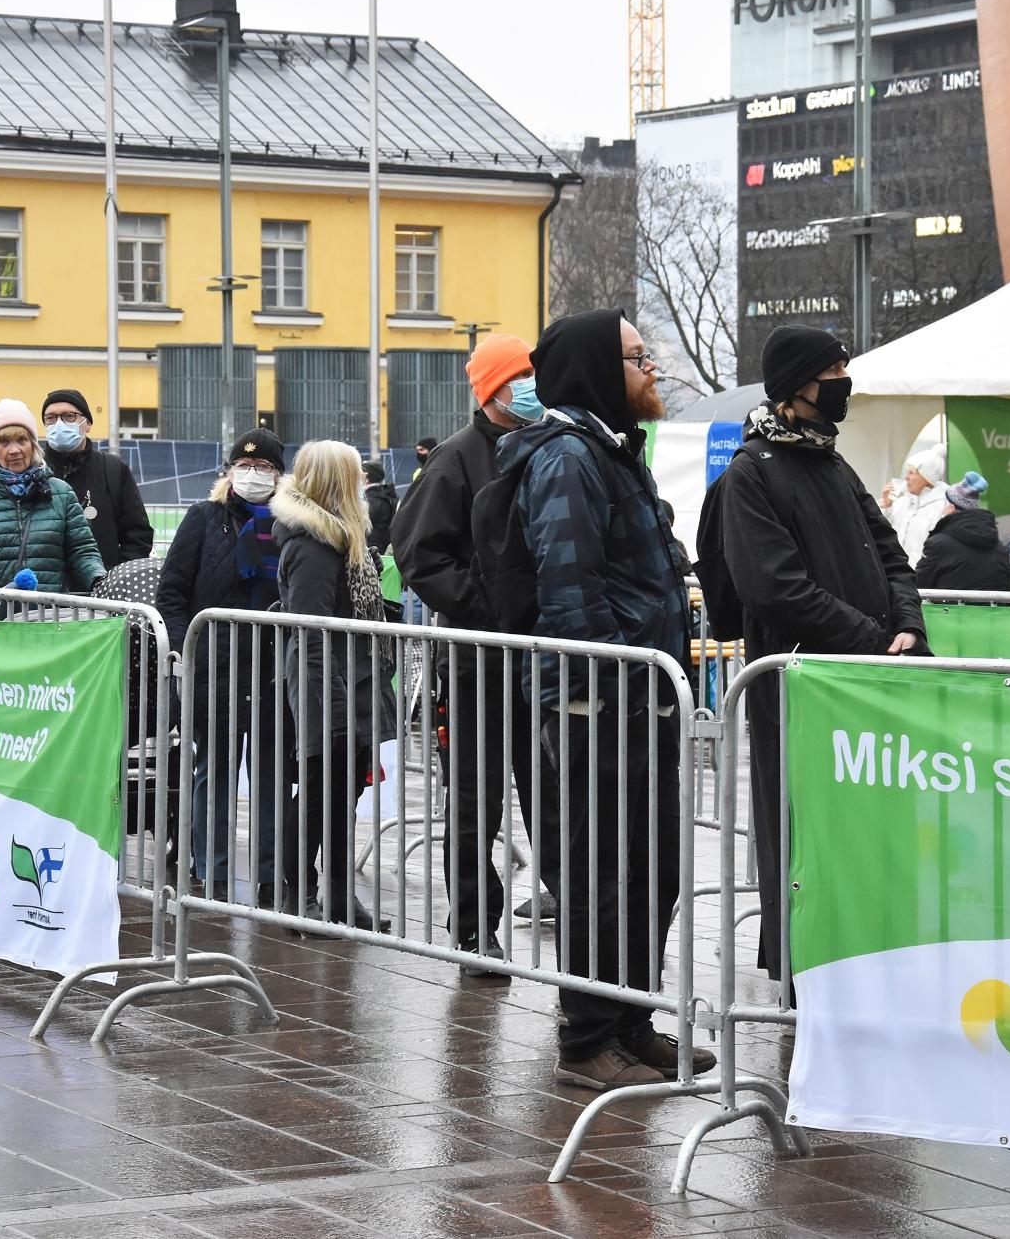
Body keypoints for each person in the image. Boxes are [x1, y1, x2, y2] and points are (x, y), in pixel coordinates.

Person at [496, 308, 710, 1091]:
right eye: (634, 355)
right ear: (594, 367)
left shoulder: (616, 450)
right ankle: (587, 1038)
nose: (650, 366)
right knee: (599, 873)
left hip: (640, 696)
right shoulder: (566, 458)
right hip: (595, 705)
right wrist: (615, 678)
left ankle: (630, 1017)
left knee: (653, 869)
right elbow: (570, 588)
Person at [700, 324, 927, 979]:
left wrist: (907, 624)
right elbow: (776, 588)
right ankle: (806, 967)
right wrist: (874, 638)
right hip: (801, 687)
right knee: (805, 835)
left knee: (866, 830)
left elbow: (891, 555)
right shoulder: (752, 473)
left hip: (863, 681)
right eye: (834, 369)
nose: (844, 380)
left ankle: (865, 953)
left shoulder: (831, 459)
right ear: (798, 382)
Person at [393, 333, 560, 963]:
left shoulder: (546, 447)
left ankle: (565, 904)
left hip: (540, 662)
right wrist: (488, 609)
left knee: (551, 794)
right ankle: (472, 928)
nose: (531, 388)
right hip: (477, 665)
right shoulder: (457, 460)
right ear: (492, 390)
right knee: (474, 805)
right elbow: (417, 554)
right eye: (520, 378)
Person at [157, 428, 291, 906]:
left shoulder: (289, 524)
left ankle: (272, 876)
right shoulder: (204, 518)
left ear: (279, 475)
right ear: (230, 469)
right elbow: (171, 589)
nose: (252, 474)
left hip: (274, 669)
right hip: (213, 665)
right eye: (245, 465)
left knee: (271, 774)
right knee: (212, 771)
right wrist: (184, 646)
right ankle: (209, 873)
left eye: (264, 468)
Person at [270, 440, 382, 930]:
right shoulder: (314, 546)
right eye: (355, 477)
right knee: (319, 791)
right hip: (328, 682)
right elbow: (313, 632)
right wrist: (336, 710)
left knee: (342, 791)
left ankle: (336, 895)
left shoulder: (337, 538)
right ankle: (297, 894)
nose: (363, 486)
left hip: (345, 677)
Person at [0, 400, 106, 593]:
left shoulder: (61, 493)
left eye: (22, 440)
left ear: (33, 444)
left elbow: (83, 551)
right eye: (4, 442)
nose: (14, 450)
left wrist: (98, 580)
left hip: (50, 615)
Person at [40, 390, 153, 570]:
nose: (59, 423)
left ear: (88, 424)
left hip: (100, 589)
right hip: (44, 589)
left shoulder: (113, 469)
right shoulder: (35, 470)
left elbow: (137, 534)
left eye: (69, 416)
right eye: (51, 418)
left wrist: (116, 579)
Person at [915, 473, 1010, 591]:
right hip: (992, 610)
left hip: (946, 609)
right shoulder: (999, 547)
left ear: (952, 507)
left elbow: (919, 585)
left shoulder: (937, 545)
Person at [881, 447, 947, 565]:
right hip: (896, 575)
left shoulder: (941, 507)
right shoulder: (901, 502)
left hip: (922, 579)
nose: (906, 477)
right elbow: (883, 534)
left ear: (926, 477)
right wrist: (886, 506)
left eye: (911, 472)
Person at [360, 460, 398, 559]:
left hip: (372, 553)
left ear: (366, 478)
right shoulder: (386, 496)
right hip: (380, 550)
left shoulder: (371, 501)